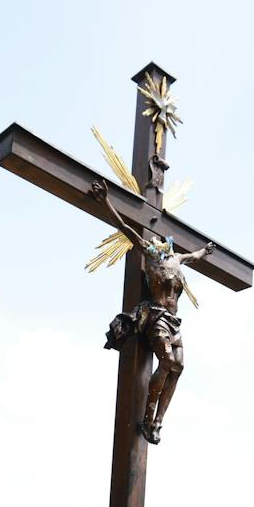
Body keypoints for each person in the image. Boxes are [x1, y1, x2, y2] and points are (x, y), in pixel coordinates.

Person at [89, 178, 215, 445]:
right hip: (156, 316)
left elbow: (194, 256)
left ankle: (158, 421)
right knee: (167, 363)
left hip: (174, 322)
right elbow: (125, 227)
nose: (162, 241)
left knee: (179, 367)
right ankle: (148, 417)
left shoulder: (177, 259)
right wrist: (106, 202)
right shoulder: (149, 252)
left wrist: (205, 250)